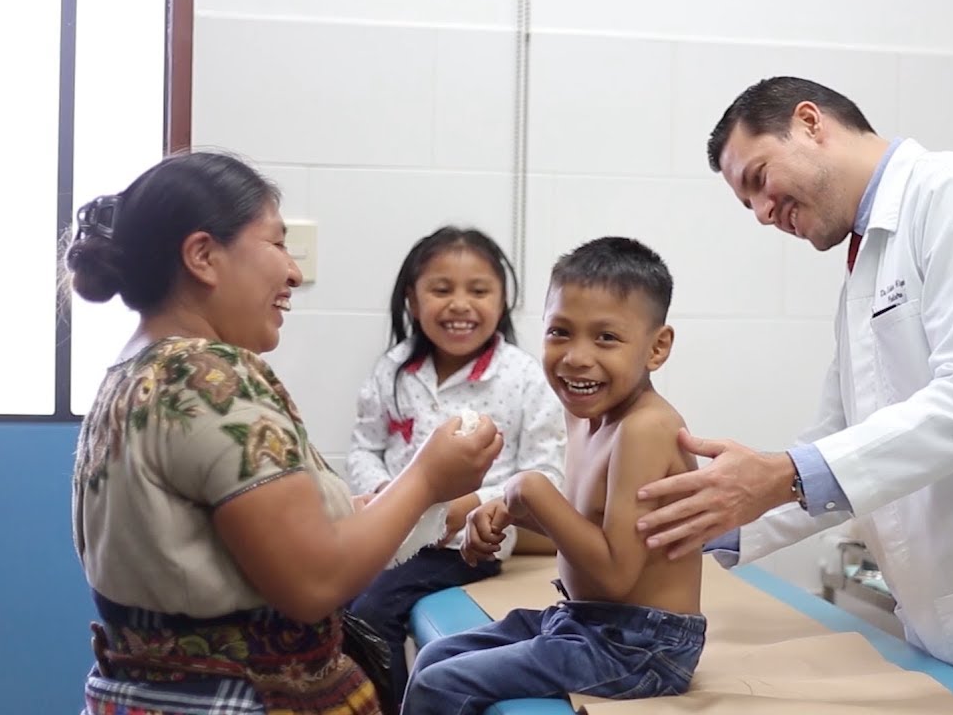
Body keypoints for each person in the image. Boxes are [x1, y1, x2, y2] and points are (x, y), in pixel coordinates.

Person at [634, 76, 953, 714]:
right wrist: (712, 521)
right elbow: (838, 447)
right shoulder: (866, 269)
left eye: (758, 179)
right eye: (748, 203)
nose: (762, 213)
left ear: (810, 123)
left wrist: (781, 476)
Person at [65, 150, 504, 715]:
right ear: (203, 256)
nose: (294, 272)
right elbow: (313, 581)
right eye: (277, 243)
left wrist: (417, 501)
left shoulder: (134, 373)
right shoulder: (209, 378)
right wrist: (425, 478)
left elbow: (279, 536)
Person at [402, 237, 707, 714]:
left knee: (442, 684)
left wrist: (528, 489)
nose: (576, 357)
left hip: (643, 647)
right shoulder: (587, 416)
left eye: (606, 338)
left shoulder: (645, 429)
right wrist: (509, 512)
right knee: (434, 657)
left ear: (657, 347)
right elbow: (593, 530)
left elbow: (615, 575)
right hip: (587, 620)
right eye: (560, 332)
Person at [344, 225, 566, 704]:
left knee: (371, 613)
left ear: (502, 300)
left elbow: (545, 476)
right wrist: (385, 493)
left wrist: (472, 504)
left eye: (478, 291)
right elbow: (364, 448)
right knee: (326, 600)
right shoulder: (393, 369)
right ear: (412, 299)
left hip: (463, 546)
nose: (460, 305)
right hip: (386, 531)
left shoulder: (524, 377)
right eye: (441, 290)